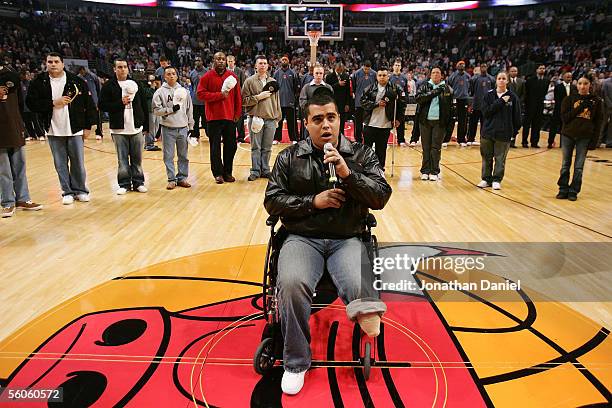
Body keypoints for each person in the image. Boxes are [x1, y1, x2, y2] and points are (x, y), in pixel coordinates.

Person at [264, 91, 391, 395]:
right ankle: (295, 362)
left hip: (347, 238)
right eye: (317, 119)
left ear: (340, 120)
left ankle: (364, 307)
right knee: (291, 283)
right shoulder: (288, 157)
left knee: (357, 279)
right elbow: (272, 201)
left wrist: (348, 174)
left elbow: (381, 196)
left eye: (331, 117)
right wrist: (313, 202)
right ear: (305, 124)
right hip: (301, 238)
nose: (325, 125)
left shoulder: (361, 154)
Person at [26, 52, 96, 205]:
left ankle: (81, 190)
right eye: (50, 61)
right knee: (60, 164)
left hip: (75, 128)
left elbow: (89, 104)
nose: (53, 64)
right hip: (53, 129)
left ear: (62, 64)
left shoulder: (76, 81)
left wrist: (88, 126)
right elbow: (31, 104)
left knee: (78, 162)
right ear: (46, 63)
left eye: (56, 61)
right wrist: (52, 103)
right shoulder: (38, 82)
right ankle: (67, 191)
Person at [99, 59, 149, 195]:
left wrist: (146, 126)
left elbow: (144, 105)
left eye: (125, 67)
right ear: (114, 69)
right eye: (119, 67)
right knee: (122, 160)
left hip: (136, 128)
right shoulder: (109, 86)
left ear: (128, 69)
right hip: (118, 129)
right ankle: (124, 184)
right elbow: (102, 105)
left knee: (137, 159)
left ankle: (139, 182)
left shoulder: (136, 84)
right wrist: (119, 103)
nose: (122, 69)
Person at [0, 66, 42, 217]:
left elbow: (19, 103)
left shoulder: (10, 75)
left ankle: (23, 198)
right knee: (3, 170)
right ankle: (7, 202)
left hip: (14, 125)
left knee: (20, 166)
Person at [556, 74, 604, 201]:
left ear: (590, 85)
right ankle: (563, 189)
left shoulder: (597, 101)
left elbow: (598, 122)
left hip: (585, 136)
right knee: (565, 164)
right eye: (580, 83)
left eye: (586, 84)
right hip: (568, 135)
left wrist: (595, 141)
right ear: (576, 85)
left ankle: (573, 191)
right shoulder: (569, 99)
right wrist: (582, 106)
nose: (583, 86)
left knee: (579, 166)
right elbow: (565, 118)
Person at [197, 52, 242, 184]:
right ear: (214, 61)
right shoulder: (207, 77)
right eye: (218, 59)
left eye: (223, 59)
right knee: (215, 147)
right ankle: (218, 173)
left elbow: (237, 97)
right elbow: (200, 94)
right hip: (213, 117)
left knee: (231, 146)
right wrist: (219, 95)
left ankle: (228, 172)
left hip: (229, 117)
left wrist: (237, 113)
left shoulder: (232, 76)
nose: (221, 61)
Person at [478, 72, 522, 190]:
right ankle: (485, 179)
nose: (501, 80)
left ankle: (497, 179)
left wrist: (514, 133)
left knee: (500, 159)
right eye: (499, 78)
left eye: (504, 78)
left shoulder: (513, 97)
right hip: (487, 132)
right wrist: (501, 101)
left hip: (504, 134)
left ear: (507, 81)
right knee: (486, 157)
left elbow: (517, 117)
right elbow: (486, 112)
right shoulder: (488, 96)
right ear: (496, 81)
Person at [153, 66, 194, 190]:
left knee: (183, 155)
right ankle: (171, 179)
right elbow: (156, 111)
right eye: (168, 74)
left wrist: (191, 126)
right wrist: (170, 110)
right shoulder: (160, 92)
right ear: (164, 76)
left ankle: (182, 178)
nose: (171, 76)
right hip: (168, 128)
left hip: (182, 128)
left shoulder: (184, 91)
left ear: (177, 76)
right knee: (168, 156)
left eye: (173, 74)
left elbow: (189, 109)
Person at [242, 55, 281, 181]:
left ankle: (265, 170)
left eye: (265, 63)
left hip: (270, 119)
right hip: (256, 119)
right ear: (256, 66)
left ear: (268, 65)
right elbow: (244, 101)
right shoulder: (249, 81)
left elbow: (277, 101)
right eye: (260, 63)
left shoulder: (273, 82)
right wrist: (258, 97)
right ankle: (255, 170)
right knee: (255, 147)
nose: (263, 65)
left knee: (267, 147)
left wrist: (277, 118)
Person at [360, 66, 405, 171]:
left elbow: (402, 105)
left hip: (385, 125)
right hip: (369, 124)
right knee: (367, 149)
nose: (382, 77)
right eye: (380, 75)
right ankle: (367, 168)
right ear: (376, 76)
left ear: (388, 76)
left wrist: (398, 119)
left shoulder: (396, 89)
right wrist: (376, 104)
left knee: (381, 149)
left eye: (384, 75)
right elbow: (362, 102)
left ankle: (380, 169)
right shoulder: (369, 88)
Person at [415, 67, 454, 181]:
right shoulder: (424, 86)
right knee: (425, 148)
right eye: (433, 73)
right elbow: (419, 98)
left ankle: (434, 171)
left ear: (441, 75)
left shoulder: (448, 89)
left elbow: (451, 109)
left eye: (438, 73)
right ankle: (425, 171)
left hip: (440, 123)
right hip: (425, 121)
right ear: (430, 75)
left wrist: (449, 126)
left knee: (435, 148)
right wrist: (434, 92)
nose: (436, 74)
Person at [273, 55, 299, 144]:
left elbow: (296, 88)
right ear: (280, 62)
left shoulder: (293, 73)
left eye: (286, 60)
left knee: (292, 122)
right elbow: (273, 87)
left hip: (290, 102)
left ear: (289, 62)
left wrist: (294, 99)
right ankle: (277, 138)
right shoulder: (276, 73)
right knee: (278, 122)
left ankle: (294, 138)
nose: (284, 61)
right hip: (279, 102)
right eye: (282, 59)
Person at [548, 71, 577, 149]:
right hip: (558, 110)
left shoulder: (574, 87)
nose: (569, 78)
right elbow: (557, 99)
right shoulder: (558, 87)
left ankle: (563, 144)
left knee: (566, 128)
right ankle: (550, 142)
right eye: (567, 77)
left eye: (570, 77)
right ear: (563, 77)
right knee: (554, 127)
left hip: (569, 111)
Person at [468, 63, 495, 146]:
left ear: (487, 68)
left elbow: (493, 92)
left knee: (485, 124)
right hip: (476, 104)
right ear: (480, 68)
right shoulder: (474, 79)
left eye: (485, 66)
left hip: (486, 106)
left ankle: (483, 138)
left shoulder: (491, 79)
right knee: (473, 123)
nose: (483, 68)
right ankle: (470, 139)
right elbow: (471, 91)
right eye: (482, 66)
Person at [522, 64, 549, 148]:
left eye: (543, 68)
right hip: (529, 105)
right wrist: (526, 105)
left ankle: (534, 142)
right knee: (527, 125)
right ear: (536, 70)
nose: (542, 70)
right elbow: (526, 94)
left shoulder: (546, 81)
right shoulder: (530, 80)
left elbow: (544, 93)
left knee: (537, 125)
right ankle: (524, 141)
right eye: (540, 68)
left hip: (540, 106)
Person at [351, 60, 376, 143]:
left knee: (369, 123)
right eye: (365, 69)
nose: (366, 71)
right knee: (358, 122)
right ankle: (358, 139)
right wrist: (357, 95)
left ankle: (369, 139)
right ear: (363, 66)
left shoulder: (374, 74)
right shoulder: (356, 74)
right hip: (359, 102)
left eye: (368, 69)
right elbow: (353, 86)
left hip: (369, 102)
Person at [448, 61, 471, 146]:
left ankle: (461, 139)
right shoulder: (453, 76)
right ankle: (446, 139)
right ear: (456, 66)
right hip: (455, 100)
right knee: (451, 120)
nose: (461, 65)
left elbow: (470, 87)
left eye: (463, 64)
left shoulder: (468, 76)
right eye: (460, 64)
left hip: (464, 99)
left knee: (463, 120)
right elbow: (448, 86)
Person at [326, 62, 351, 138]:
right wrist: (338, 84)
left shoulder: (346, 76)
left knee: (342, 120)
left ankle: (341, 135)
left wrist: (347, 104)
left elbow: (347, 91)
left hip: (343, 102)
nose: (340, 71)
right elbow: (328, 88)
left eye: (341, 69)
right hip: (332, 101)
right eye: (338, 69)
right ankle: (331, 134)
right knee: (331, 118)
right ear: (335, 68)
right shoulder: (329, 76)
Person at [78, 66, 103, 140]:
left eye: (82, 70)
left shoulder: (93, 76)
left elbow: (98, 88)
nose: (81, 72)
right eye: (80, 71)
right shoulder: (78, 78)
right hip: (84, 101)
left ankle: (99, 132)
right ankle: (83, 131)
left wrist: (99, 100)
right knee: (84, 117)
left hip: (94, 100)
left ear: (85, 70)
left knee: (98, 117)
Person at [389, 59, 410, 146]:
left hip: (401, 103)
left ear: (401, 67)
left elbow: (406, 92)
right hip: (391, 102)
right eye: (396, 65)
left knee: (401, 121)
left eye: (399, 65)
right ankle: (386, 139)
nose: (397, 67)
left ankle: (401, 140)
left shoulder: (404, 78)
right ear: (393, 66)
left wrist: (406, 101)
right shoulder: (389, 77)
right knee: (389, 121)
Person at [227, 55, 247, 143]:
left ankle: (241, 136)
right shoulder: (224, 71)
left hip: (238, 98)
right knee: (228, 118)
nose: (230, 63)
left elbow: (244, 85)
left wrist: (242, 97)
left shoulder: (240, 71)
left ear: (234, 61)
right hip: (227, 99)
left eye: (231, 61)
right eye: (228, 61)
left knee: (239, 118)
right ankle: (228, 136)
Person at [189, 56, 207, 146]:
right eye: (196, 60)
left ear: (202, 62)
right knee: (195, 119)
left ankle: (209, 134)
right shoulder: (192, 73)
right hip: (195, 100)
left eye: (199, 60)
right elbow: (192, 86)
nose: (197, 62)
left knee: (206, 119)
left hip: (205, 100)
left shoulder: (207, 72)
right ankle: (195, 134)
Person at [507, 66, 526, 147]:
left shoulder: (521, 82)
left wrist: (518, 102)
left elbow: (523, 94)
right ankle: (506, 141)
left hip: (518, 107)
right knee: (508, 124)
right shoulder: (506, 82)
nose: (514, 72)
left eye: (515, 71)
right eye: (512, 71)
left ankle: (513, 142)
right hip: (508, 106)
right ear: (509, 72)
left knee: (516, 124)